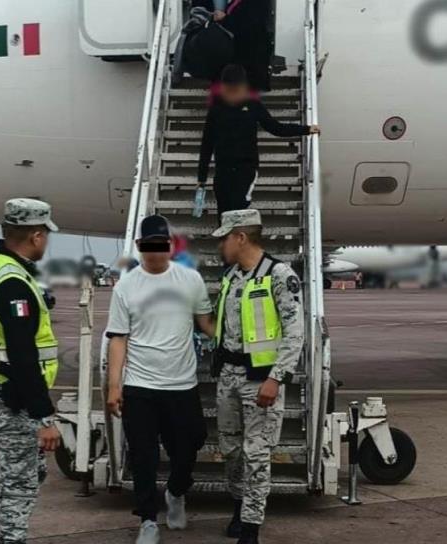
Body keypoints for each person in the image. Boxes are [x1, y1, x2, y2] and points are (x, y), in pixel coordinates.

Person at [105, 215, 215, 544]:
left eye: (160, 246)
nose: (154, 253)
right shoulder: (126, 286)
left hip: (182, 385)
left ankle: (177, 491)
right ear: (139, 248)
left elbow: (205, 323)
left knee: (190, 444)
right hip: (140, 386)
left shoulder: (190, 280)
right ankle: (148, 520)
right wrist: (114, 385)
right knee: (143, 456)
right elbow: (118, 339)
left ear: (169, 246)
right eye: (148, 247)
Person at [0, 198, 63, 544]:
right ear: (36, 236)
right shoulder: (14, 284)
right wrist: (44, 417)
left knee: (22, 474)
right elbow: (23, 355)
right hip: (14, 399)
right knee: (18, 484)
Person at [211, 209, 304, 544]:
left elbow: (295, 333)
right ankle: (238, 505)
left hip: (261, 381)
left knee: (257, 454)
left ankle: (250, 527)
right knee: (231, 450)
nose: (221, 244)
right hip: (229, 378)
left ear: (240, 237)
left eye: (225, 237)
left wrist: (276, 379)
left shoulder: (279, 275)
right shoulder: (231, 276)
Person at [198, 64, 320, 223]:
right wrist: (202, 177)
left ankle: (239, 242)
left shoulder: (253, 106)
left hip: (246, 167)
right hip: (223, 168)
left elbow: (276, 128)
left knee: (238, 208)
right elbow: (207, 144)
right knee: (223, 212)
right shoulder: (216, 110)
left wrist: (306, 129)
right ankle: (227, 245)